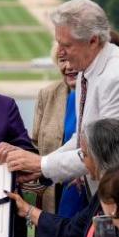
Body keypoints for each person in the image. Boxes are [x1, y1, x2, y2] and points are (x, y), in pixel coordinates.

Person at [0, 0, 119, 187]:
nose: (60, 53)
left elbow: (103, 152)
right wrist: (40, 167)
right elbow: (81, 140)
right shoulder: (87, 66)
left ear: (92, 41)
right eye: (59, 43)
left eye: (66, 45)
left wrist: (41, 164)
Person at [8, 119, 119, 237]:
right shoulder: (105, 194)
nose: (83, 163)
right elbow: (72, 230)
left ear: (99, 157)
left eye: (84, 155)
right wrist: (27, 210)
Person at [30, 48, 77, 213]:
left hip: (84, 193)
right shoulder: (47, 94)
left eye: (73, 59)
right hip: (51, 194)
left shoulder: (96, 94)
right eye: (62, 60)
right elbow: (35, 144)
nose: (68, 66)